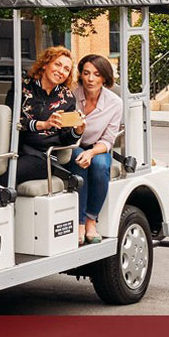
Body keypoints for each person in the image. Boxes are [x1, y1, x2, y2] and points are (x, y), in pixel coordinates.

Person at [0, 46, 82, 188]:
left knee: (4, 177)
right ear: (45, 64)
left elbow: (66, 139)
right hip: (12, 148)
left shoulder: (67, 98)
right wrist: (42, 124)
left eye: (66, 69)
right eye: (57, 64)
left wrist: (77, 131)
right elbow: (11, 121)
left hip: (43, 156)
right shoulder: (21, 87)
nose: (61, 71)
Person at [67, 54, 122, 245]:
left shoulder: (115, 102)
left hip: (97, 147)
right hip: (72, 145)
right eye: (86, 73)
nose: (90, 79)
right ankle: (80, 223)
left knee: (99, 167)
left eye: (96, 74)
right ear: (80, 75)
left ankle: (91, 220)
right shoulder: (71, 94)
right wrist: (82, 151)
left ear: (104, 78)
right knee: (78, 162)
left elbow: (108, 139)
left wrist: (91, 152)